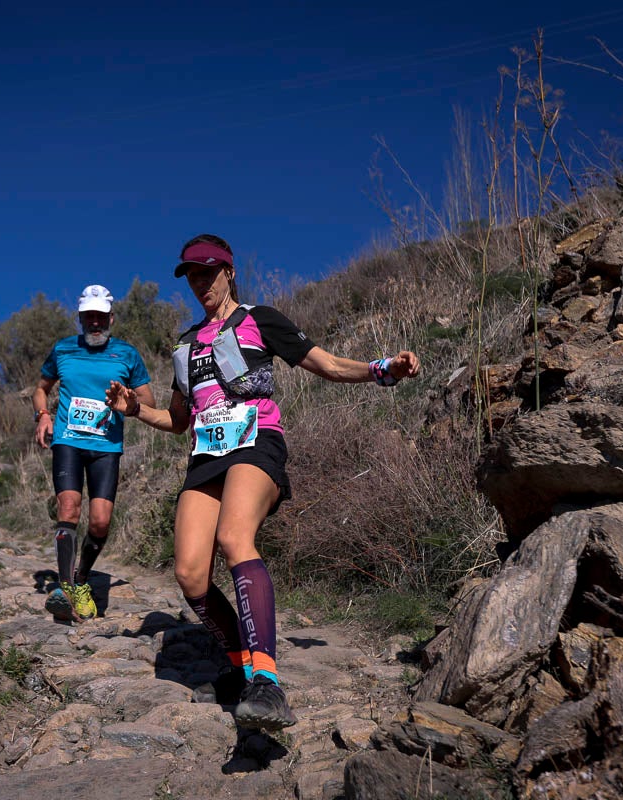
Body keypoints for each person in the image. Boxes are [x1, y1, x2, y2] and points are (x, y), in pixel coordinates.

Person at [105, 234, 419, 731]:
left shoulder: (259, 318)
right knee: (190, 574)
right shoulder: (185, 347)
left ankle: (267, 684)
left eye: (208, 272)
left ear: (229, 271)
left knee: (234, 536)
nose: (200, 283)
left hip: (256, 442)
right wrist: (135, 409)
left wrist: (384, 369)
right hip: (206, 456)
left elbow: (329, 365)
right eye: (191, 275)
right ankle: (238, 667)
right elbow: (179, 420)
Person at [33, 284, 154, 622]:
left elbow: (150, 402)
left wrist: (128, 401)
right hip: (69, 441)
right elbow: (40, 390)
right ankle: (67, 588)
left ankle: (83, 577)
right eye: (89, 317)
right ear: (81, 318)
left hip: (106, 447)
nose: (95, 323)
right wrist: (43, 415)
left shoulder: (127, 355)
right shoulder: (63, 350)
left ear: (111, 318)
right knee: (69, 507)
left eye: (101, 317)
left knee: (100, 522)